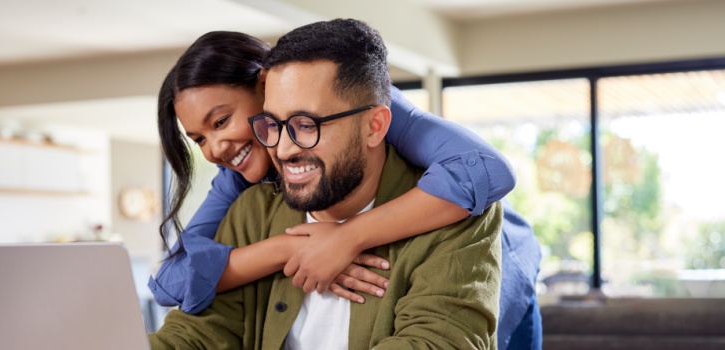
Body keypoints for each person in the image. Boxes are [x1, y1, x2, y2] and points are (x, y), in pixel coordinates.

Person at [149, 26, 541, 349]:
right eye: (198, 139)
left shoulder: (392, 120)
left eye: (305, 124)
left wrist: (345, 237)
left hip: (506, 260)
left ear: (261, 87)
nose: (215, 148)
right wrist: (292, 247)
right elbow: (176, 285)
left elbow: (486, 174)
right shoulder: (242, 194)